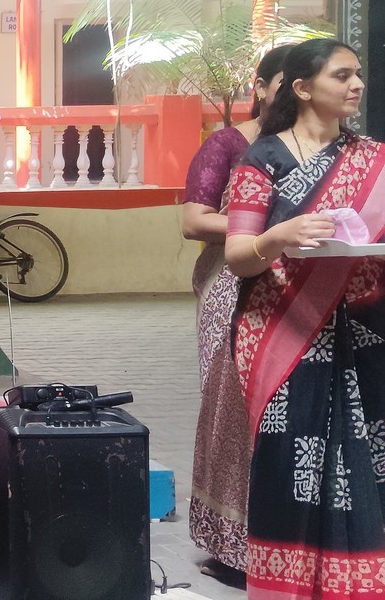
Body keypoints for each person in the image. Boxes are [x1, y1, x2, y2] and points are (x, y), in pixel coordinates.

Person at [222, 38, 382, 600]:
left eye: (358, 74)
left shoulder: (374, 160)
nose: (356, 85)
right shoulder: (261, 161)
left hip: (365, 331)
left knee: (368, 461)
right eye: (342, 75)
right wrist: (279, 235)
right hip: (280, 332)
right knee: (289, 462)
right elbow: (238, 256)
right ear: (303, 88)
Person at [181, 43, 293, 583]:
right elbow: (193, 221)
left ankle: (287, 539)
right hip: (231, 282)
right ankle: (230, 543)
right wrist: (265, 226)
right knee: (233, 406)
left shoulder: (330, 150)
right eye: (287, 83)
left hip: (303, 285)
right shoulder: (229, 144)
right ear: (261, 87)